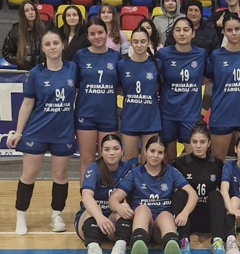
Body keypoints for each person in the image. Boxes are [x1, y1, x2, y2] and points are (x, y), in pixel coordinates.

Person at [6, 29, 76, 236]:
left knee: (60, 176)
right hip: (37, 131)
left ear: (62, 45)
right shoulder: (36, 73)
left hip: (63, 132)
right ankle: (21, 215)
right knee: (29, 175)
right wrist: (18, 132)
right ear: (43, 49)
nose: (52, 47)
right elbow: (27, 104)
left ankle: (56, 214)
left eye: (56, 43)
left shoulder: (73, 69)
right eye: (48, 44)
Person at [108, 135, 198, 254]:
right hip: (144, 224)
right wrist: (119, 207)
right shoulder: (135, 173)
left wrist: (185, 213)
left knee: (166, 215)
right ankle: (140, 253)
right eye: (152, 151)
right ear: (145, 151)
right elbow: (113, 198)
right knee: (142, 209)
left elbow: (193, 194)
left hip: (160, 229)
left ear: (164, 155)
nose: (155, 156)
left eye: (160, 152)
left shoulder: (171, 172)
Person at [76, 134, 134, 254]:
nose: (111, 153)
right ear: (101, 152)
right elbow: (86, 196)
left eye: (115, 149)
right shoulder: (94, 168)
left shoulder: (128, 169)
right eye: (107, 149)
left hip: (112, 222)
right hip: (90, 220)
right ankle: (94, 252)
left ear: (122, 151)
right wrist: (100, 217)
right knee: (92, 211)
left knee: (124, 206)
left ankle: (119, 249)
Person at [73, 18, 120, 182]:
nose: (97, 36)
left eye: (100, 32)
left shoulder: (116, 57)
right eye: (92, 34)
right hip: (86, 114)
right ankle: (85, 196)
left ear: (106, 33)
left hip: (108, 115)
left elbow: (119, 86)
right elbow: (76, 85)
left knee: (107, 160)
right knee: (87, 160)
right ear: (87, 36)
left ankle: (105, 196)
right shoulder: (80, 55)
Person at [205, 14, 240, 161]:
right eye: (229, 30)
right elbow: (207, 77)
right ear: (223, 32)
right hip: (222, 114)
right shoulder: (216, 55)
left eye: (237, 29)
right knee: (217, 161)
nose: (234, 33)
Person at [172, 123, 227, 254]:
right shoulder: (180, 163)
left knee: (216, 194)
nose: (198, 146)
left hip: (208, 217)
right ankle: (183, 241)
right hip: (186, 217)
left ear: (209, 143)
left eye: (202, 142)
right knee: (180, 193)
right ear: (189, 142)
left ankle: (218, 240)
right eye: (194, 142)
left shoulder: (217, 164)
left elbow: (225, 191)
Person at [157, 17, 208, 160]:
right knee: (168, 157)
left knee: (194, 158)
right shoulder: (163, 54)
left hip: (190, 113)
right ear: (173, 33)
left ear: (193, 33)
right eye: (178, 30)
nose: (182, 33)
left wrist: (194, 83)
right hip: (168, 113)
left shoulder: (201, 54)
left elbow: (208, 76)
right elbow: (157, 79)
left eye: (186, 30)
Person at [117, 27, 161, 164]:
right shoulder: (122, 65)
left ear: (148, 42)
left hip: (151, 119)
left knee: (148, 162)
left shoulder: (157, 64)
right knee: (130, 162)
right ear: (131, 43)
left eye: (143, 41)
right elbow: (117, 89)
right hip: (130, 118)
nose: (139, 45)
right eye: (135, 42)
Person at [2, 1, 46, 70]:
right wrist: (19, 61)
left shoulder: (45, 28)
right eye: (26, 11)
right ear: (22, 14)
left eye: (32, 9)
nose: (31, 12)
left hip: (43, 70)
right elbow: (6, 52)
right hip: (24, 71)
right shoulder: (15, 31)